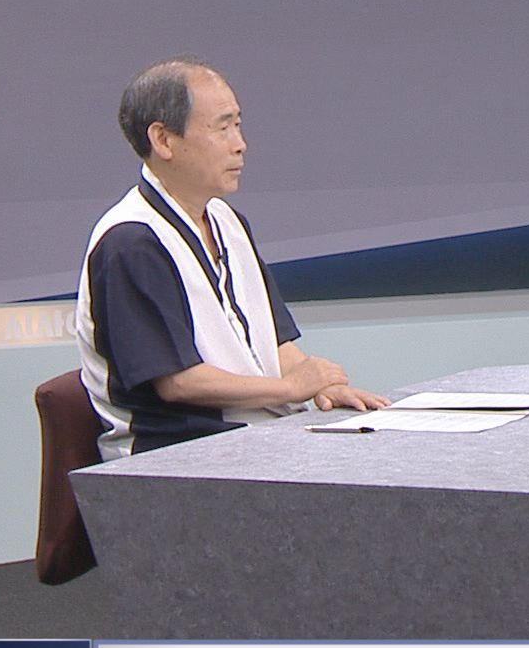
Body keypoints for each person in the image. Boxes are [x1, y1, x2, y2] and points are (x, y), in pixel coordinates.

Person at [75, 57, 388, 461]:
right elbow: (178, 383)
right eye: (222, 128)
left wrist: (321, 385)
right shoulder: (131, 242)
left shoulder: (227, 221)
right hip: (174, 457)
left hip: (256, 439)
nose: (240, 144)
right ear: (163, 140)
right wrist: (292, 388)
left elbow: (273, 343)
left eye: (237, 125)